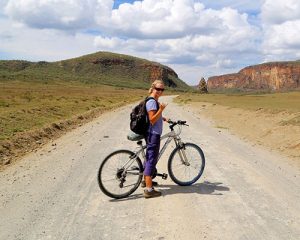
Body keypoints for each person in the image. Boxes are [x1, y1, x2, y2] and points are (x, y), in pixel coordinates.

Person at [143, 80, 168, 199]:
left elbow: (153, 117)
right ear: (153, 88)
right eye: (158, 89)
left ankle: (145, 181)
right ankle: (149, 190)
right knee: (151, 160)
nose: (160, 91)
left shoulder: (153, 100)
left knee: (149, 158)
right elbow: (152, 119)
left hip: (151, 133)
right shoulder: (152, 101)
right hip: (153, 134)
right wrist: (161, 109)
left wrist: (162, 118)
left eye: (162, 90)